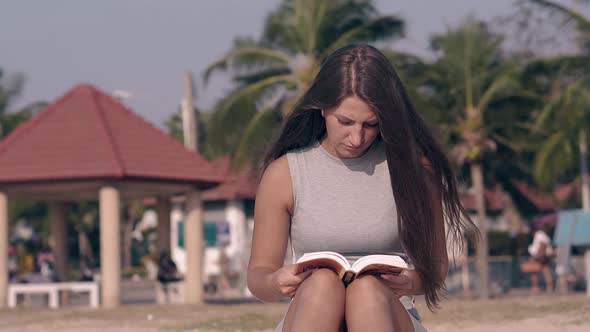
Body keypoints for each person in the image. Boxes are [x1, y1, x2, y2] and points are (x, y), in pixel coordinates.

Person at [247, 44, 476, 332]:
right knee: (321, 284)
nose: (357, 138)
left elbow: (437, 268)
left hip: (387, 315)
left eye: (371, 124)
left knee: (366, 291)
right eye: (345, 122)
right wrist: (274, 282)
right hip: (311, 314)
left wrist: (410, 282)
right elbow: (258, 275)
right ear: (322, 107)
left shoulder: (414, 168)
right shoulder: (284, 173)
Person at [526, 224, 554, 294]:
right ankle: (549, 287)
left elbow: (542, 245)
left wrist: (538, 256)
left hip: (539, 255)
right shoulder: (544, 235)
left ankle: (536, 287)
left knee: (534, 271)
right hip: (544, 255)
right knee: (546, 270)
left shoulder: (539, 235)